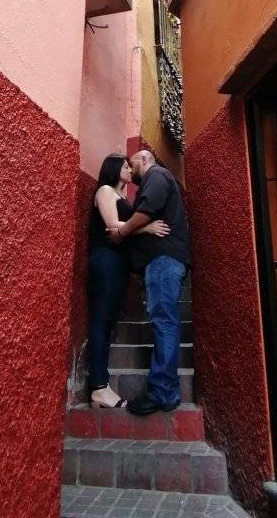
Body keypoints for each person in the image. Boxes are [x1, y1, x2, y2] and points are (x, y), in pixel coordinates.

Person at [106, 150, 191, 416]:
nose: (131, 172)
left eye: (132, 165)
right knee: (163, 321)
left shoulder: (156, 175)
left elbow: (147, 210)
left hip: (164, 260)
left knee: (164, 321)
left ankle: (162, 393)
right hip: (162, 262)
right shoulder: (160, 178)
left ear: (144, 161)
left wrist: (122, 231)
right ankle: (165, 392)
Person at [88, 154, 170, 409]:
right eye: (124, 165)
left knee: (109, 320)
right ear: (113, 169)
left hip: (119, 263)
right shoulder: (104, 191)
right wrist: (146, 228)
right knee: (101, 319)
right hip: (106, 259)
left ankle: (100, 385)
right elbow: (113, 226)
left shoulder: (124, 198)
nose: (129, 168)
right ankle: (99, 388)